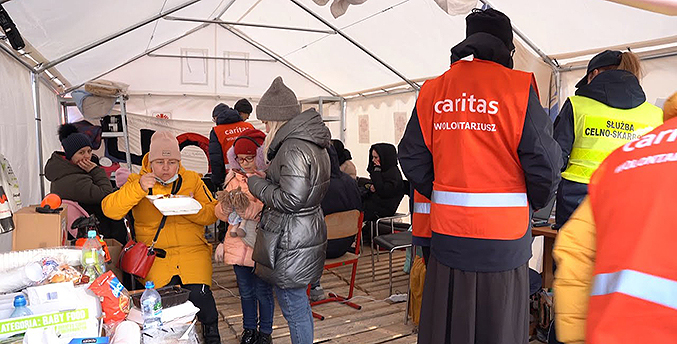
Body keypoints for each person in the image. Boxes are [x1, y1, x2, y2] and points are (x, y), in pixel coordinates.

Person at [398, 8, 561, 344]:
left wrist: (443, 190)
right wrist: (531, 201)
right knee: (497, 329)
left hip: (448, 237)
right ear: (508, 48)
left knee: (448, 327)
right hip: (504, 242)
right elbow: (545, 163)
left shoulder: (434, 90)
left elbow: (410, 155)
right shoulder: (517, 90)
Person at [552, 98, 676, 344]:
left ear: (594, 74)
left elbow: (575, 251)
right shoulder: (648, 115)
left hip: (608, 332)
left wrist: (575, 337)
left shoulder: (620, 159)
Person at [101, 131, 221, 344]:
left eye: (172, 162)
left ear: (179, 162)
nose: (166, 168)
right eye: (160, 162)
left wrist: (189, 207)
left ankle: (212, 336)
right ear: (150, 161)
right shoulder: (137, 181)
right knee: (160, 304)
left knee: (201, 297)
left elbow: (212, 213)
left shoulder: (192, 180)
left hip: (192, 252)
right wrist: (138, 189)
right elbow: (110, 210)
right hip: (155, 257)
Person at [247, 76, 331, 344]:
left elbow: (291, 199)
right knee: (298, 304)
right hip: (302, 231)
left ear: (276, 121)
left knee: (294, 307)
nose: (264, 128)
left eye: (266, 122)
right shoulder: (308, 143)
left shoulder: (293, 147)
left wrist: (256, 183)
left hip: (291, 237)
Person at [553, 50, 663, 229]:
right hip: (632, 204)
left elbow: (555, 158)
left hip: (577, 202)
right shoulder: (656, 115)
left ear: (594, 74)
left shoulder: (576, 105)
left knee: (573, 256)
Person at [214, 128, 274, 344]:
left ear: (259, 156)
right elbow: (220, 213)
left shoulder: (268, 179)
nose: (245, 163)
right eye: (240, 159)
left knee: (263, 292)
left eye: (249, 158)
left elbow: (269, 209)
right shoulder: (232, 178)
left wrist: (246, 210)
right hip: (238, 244)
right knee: (246, 292)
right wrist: (225, 207)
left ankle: (265, 333)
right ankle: (249, 329)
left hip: (259, 245)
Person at [45, 124, 127, 244]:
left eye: (89, 151)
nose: (87, 156)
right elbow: (106, 195)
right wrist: (96, 170)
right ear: (70, 155)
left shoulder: (67, 171)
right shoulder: (73, 179)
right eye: (81, 152)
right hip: (95, 233)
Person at [310, 144, 363, 301]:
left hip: (321, 250)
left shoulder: (316, 185)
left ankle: (312, 286)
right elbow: (360, 211)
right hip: (346, 246)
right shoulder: (350, 181)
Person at [362, 143, 405, 241]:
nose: (373, 160)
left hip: (383, 208)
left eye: (376, 157)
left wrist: (376, 172)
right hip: (376, 204)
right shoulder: (385, 171)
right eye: (372, 157)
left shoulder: (393, 174)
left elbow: (383, 192)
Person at [209, 102, 255, 188]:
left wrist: (217, 182)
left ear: (217, 117)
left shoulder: (217, 131)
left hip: (231, 178)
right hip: (253, 177)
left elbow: (216, 160)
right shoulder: (249, 126)